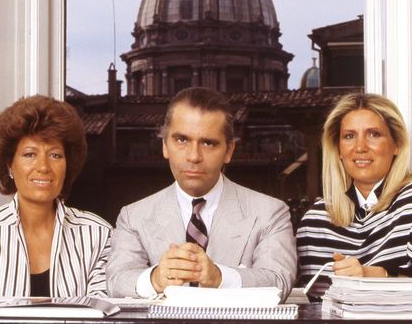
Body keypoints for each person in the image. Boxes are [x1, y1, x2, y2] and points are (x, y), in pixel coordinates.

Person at [107, 86, 297, 299]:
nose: (194, 156)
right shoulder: (133, 216)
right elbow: (116, 281)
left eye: (208, 143)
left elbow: (279, 281)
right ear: (165, 146)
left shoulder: (270, 213)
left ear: (229, 151)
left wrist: (220, 278)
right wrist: (156, 278)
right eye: (181, 140)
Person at [0, 95, 111, 297]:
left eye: (55, 155)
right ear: (9, 164)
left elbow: (103, 316)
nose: (44, 167)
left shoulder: (98, 234)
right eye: (29, 154)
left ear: (67, 166)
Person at [296, 93, 412, 282]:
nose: (360, 147)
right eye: (349, 136)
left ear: (396, 144)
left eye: (373, 134)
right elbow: (316, 301)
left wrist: (371, 275)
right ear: (338, 149)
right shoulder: (315, 221)